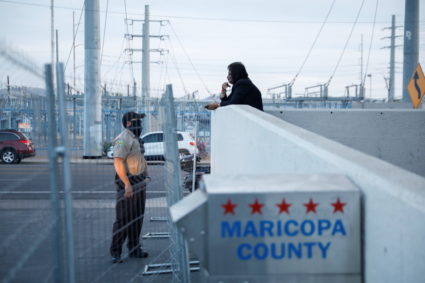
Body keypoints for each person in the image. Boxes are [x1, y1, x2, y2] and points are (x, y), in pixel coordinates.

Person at [110, 111, 149, 263]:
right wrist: (126, 184)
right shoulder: (122, 139)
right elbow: (118, 162)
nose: (140, 123)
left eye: (140, 120)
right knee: (124, 219)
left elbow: (140, 158)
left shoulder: (136, 139)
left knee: (138, 217)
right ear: (128, 123)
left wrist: (146, 173)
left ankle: (134, 248)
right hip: (128, 182)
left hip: (140, 181)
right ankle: (115, 252)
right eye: (137, 120)